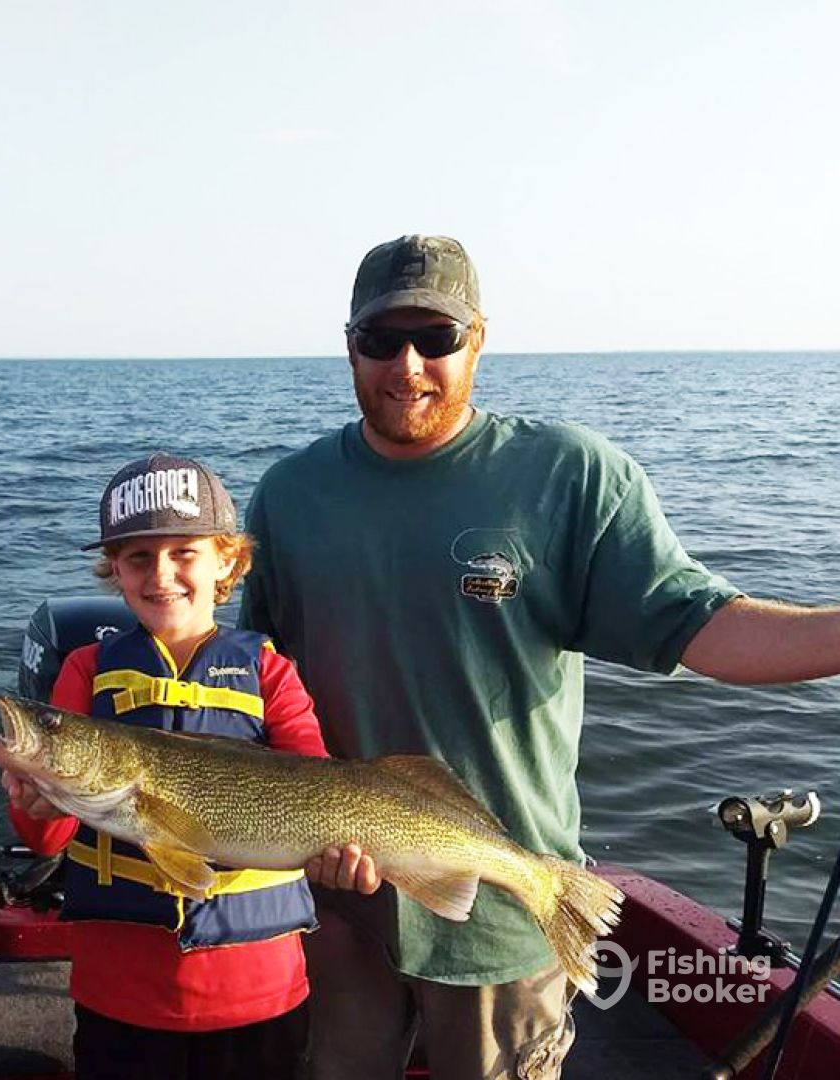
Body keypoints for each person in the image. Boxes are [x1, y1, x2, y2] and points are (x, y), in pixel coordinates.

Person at [238, 233, 840, 1080]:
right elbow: (250, 692)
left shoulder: (570, 475)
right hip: (340, 902)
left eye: (435, 338)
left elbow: (703, 626)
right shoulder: (289, 495)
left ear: (477, 340)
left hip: (504, 910)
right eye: (380, 339)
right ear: (349, 347)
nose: (406, 364)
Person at [3, 453, 359, 1080]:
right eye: (139, 557)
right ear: (115, 569)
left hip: (260, 994)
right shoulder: (86, 670)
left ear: (226, 561)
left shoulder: (270, 672)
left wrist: (346, 858)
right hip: (121, 996)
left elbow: (317, 781)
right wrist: (34, 801)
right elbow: (46, 839)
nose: (161, 574)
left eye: (183, 553)